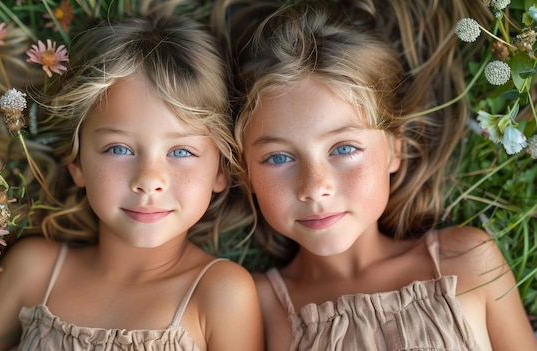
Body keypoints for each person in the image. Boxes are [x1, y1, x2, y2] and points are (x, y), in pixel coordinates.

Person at [219, 0, 537, 350]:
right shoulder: (254, 306)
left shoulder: (467, 260)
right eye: (278, 157)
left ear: (395, 149)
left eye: (343, 149)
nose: (314, 187)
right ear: (244, 171)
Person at [0, 10, 263, 351]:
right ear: (77, 163)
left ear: (221, 170)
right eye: (118, 148)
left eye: (181, 152)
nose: (149, 180)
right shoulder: (34, 271)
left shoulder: (220, 293)